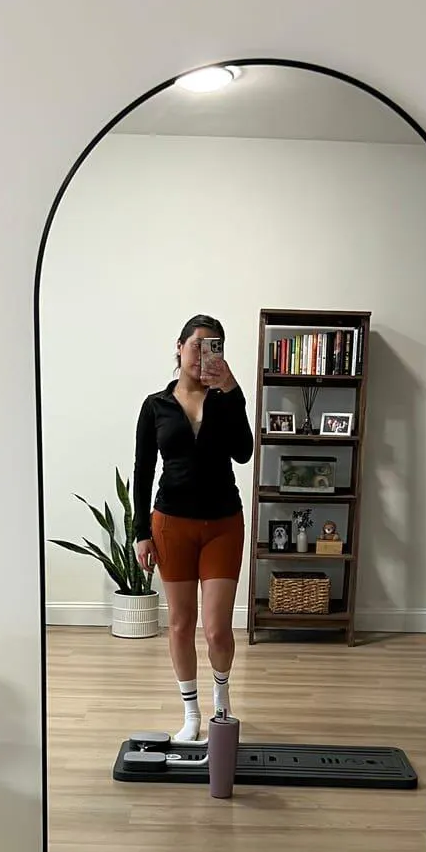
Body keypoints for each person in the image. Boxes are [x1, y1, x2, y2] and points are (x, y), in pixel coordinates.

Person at [133, 314, 253, 742]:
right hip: (172, 524)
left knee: (217, 629)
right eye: (197, 344)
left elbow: (244, 452)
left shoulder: (225, 399)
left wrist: (232, 390)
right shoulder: (155, 406)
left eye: (213, 347)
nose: (203, 354)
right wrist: (140, 531)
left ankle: (221, 699)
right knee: (181, 625)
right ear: (179, 346)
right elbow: (143, 470)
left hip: (223, 523)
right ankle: (190, 713)